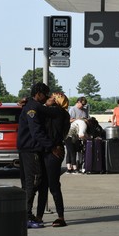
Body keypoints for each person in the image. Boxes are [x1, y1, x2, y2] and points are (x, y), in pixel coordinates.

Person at [17, 82, 63, 228]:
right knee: (33, 181)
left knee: (30, 183)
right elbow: (36, 132)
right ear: (39, 94)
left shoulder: (32, 106)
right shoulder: (33, 108)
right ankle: (27, 215)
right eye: (46, 95)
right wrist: (52, 147)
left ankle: (29, 214)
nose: (48, 98)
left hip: (27, 149)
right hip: (31, 150)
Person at [43, 92, 71, 227]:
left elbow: (40, 109)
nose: (50, 99)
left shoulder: (58, 112)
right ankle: (42, 215)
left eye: (54, 97)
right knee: (49, 185)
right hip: (52, 149)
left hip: (54, 151)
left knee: (53, 185)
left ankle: (61, 216)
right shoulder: (62, 113)